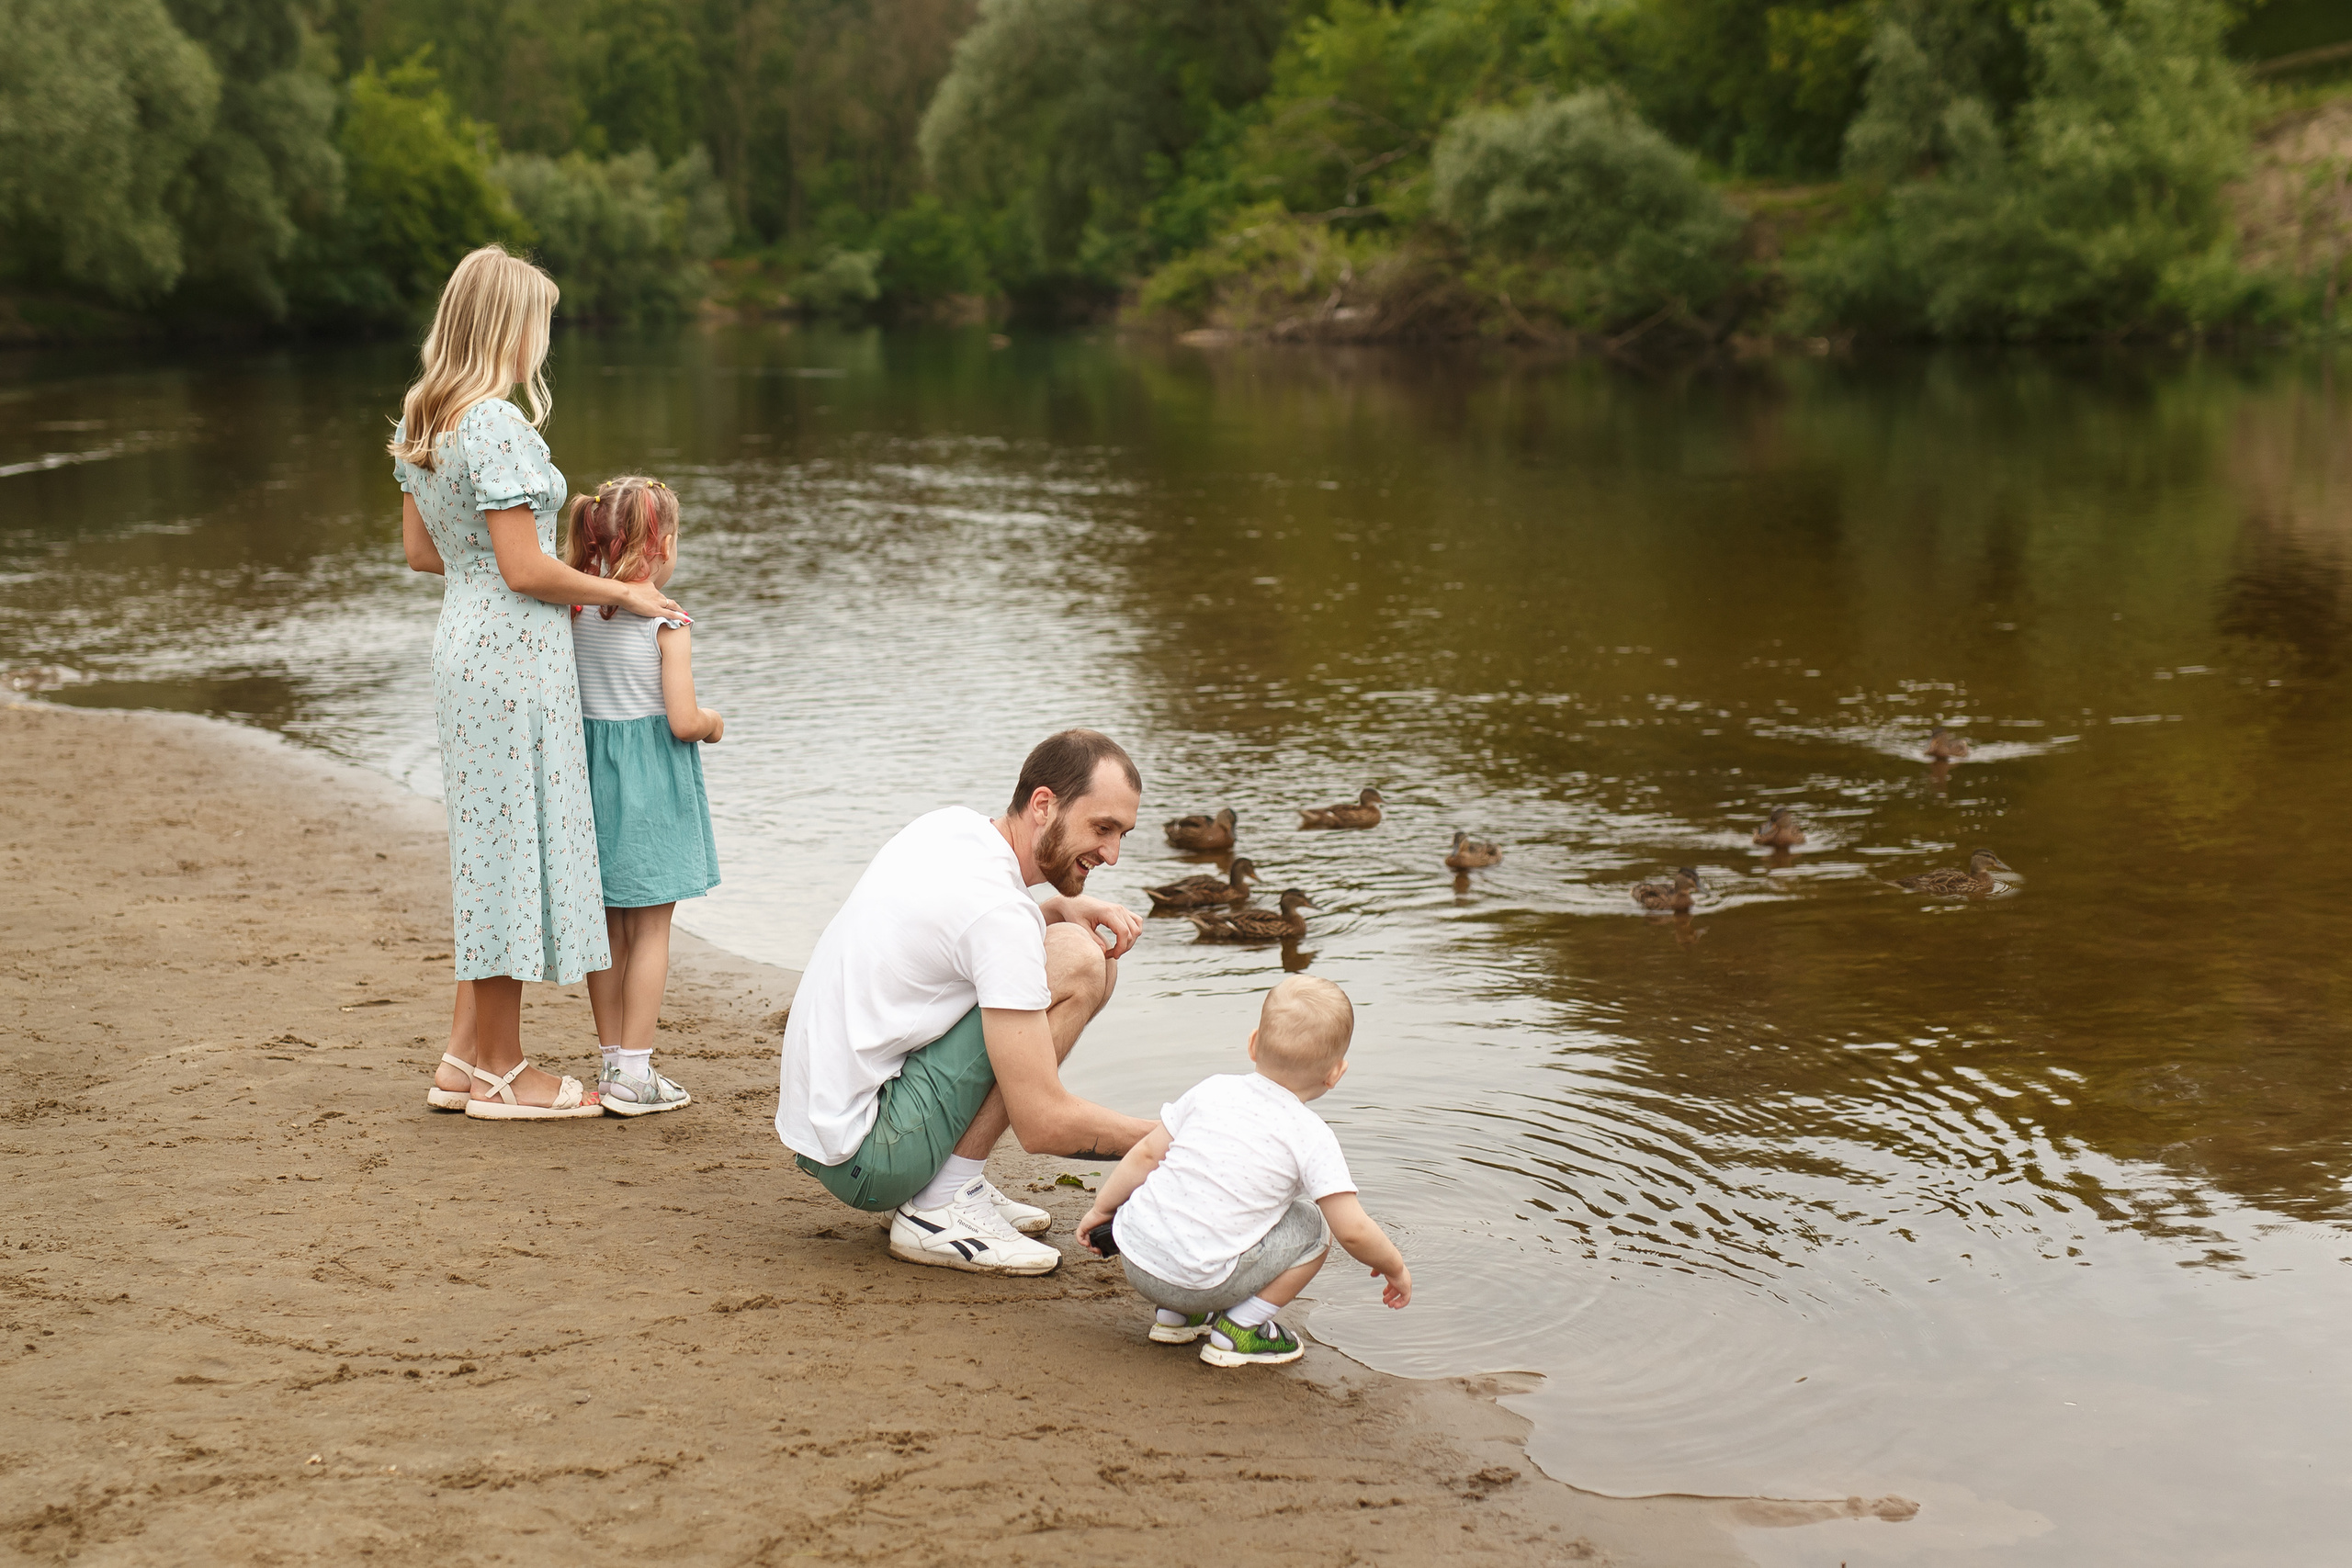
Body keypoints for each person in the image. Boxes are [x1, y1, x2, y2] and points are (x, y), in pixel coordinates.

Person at [395, 244, 685, 1121]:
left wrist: (493, 571)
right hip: (513, 661)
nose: (542, 341)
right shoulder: (495, 422)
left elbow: (420, 553)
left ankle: (460, 1060)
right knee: (510, 853)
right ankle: (504, 1072)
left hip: (463, 647)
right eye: (539, 322)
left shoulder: (429, 417)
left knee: (490, 848)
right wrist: (620, 591)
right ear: (505, 324)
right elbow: (526, 570)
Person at [775, 728, 1156, 1276]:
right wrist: (1176, 1136)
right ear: (1044, 804)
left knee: (1083, 953)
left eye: (1122, 834)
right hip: (867, 1158)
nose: (1113, 855)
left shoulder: (950, 827)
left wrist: (1050, 910)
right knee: (1079, 961)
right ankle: (937, 1207)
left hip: (827, 1123)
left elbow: (962, 935)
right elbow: (1042, 1122)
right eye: (1102, 828)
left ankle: (956, 1181)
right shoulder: (999, 915)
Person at [1075, 976, 1412, 1368]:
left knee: (1189, 1183)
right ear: (1336, 1073)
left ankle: (1177, 1317)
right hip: (1202, 1282)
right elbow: (1352, 1230)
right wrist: (1395, 1266)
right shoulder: (1312, 1135)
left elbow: (1146, 1156)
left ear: (1253, 1044)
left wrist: (1102, 1210)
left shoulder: (1211, 1090)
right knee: (1316, 1227)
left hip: (1138, 1262)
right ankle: (1241, 1330)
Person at [564, 474, 722, 1116]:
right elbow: (683, 720)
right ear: (659, 545)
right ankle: (636, 1074)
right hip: (652, 783)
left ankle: (610, 1063)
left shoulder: (571, 611)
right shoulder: (668, 622)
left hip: (590, 779)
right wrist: (713, 723)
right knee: (652, 929)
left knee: (607, 930)